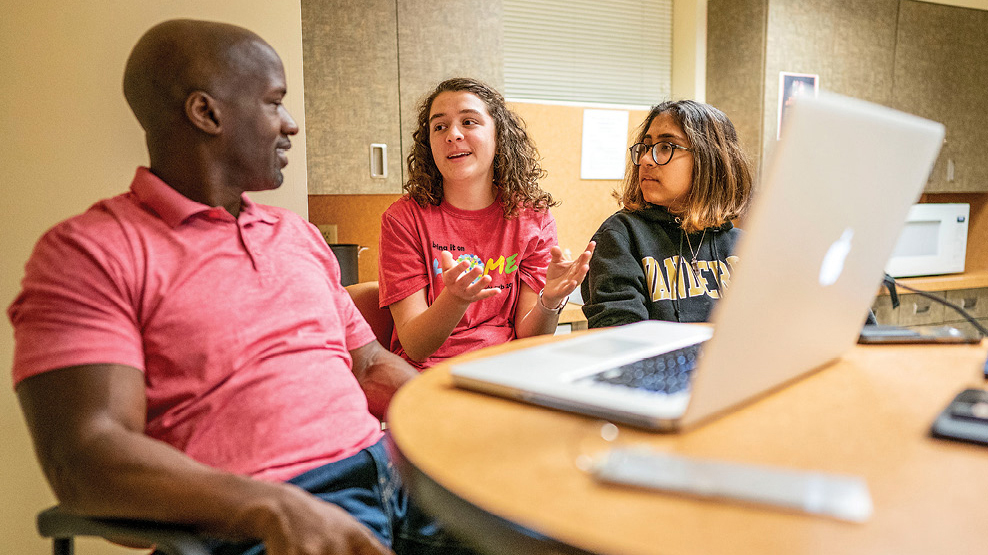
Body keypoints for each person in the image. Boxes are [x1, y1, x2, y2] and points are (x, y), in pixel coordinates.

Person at [9, 19, 476, 555]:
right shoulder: (90, 253)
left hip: (399, 474)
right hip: (270, 512)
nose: (291, 125)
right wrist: (269, 506)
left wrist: (460, 419)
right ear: (206, 113)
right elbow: (86, 457)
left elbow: (368, 365)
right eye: (274, 103)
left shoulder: (295, 236)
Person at [378, 78, 594, 369]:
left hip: (505, 371)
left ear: (499, 136)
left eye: (469, 122)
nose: (452, 134)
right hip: (430, 376)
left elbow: (530, 335)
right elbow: (416, 346)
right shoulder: (403, 220)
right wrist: (454, 299)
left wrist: (551, 300)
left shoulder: (533, 218)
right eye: (439, 126)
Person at [581, 100, 754, 328]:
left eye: (666, 147)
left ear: (710, 159)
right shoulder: (620, 236)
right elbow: (621, 340)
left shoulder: (744, 246)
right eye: (645, 147)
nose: (644, 160)